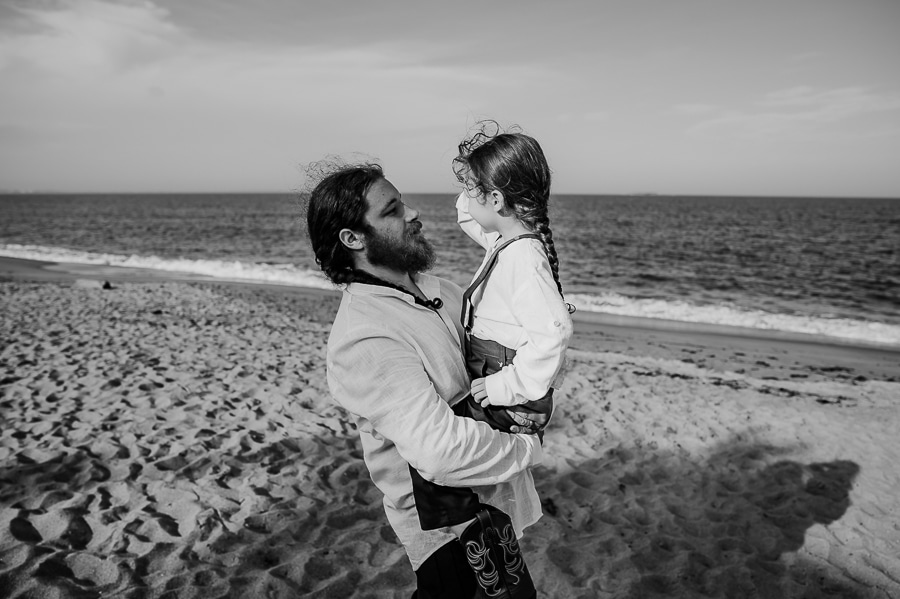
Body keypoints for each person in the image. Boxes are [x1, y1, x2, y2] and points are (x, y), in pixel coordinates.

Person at [307, 162, 547, 598]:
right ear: (353, 238)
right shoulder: (363, 336)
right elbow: (438, 451)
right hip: (448, 536)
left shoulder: (444, 290)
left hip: (493, 509)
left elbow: (501, 364)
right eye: (393, 209)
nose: (414, 213)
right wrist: (525, 448)